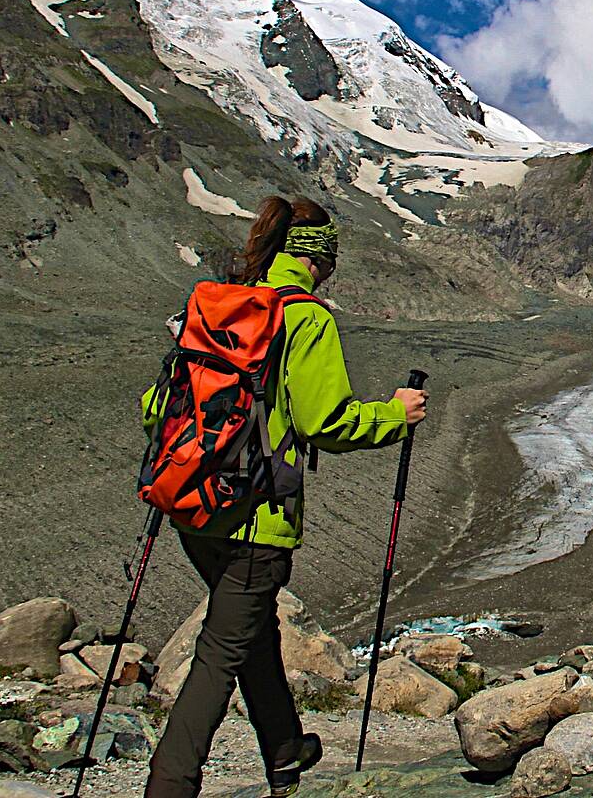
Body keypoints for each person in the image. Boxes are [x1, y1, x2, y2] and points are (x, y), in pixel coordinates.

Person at [142, 196, 427, 798]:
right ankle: (169, 785)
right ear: (317, 259)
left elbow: (156, 407)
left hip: (195, 509)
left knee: (250, 629)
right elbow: (328, 422)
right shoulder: (305, 317)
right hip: (259, 522)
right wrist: (395, 415)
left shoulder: (217, 306)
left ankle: (284, 748)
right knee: (221, 653)